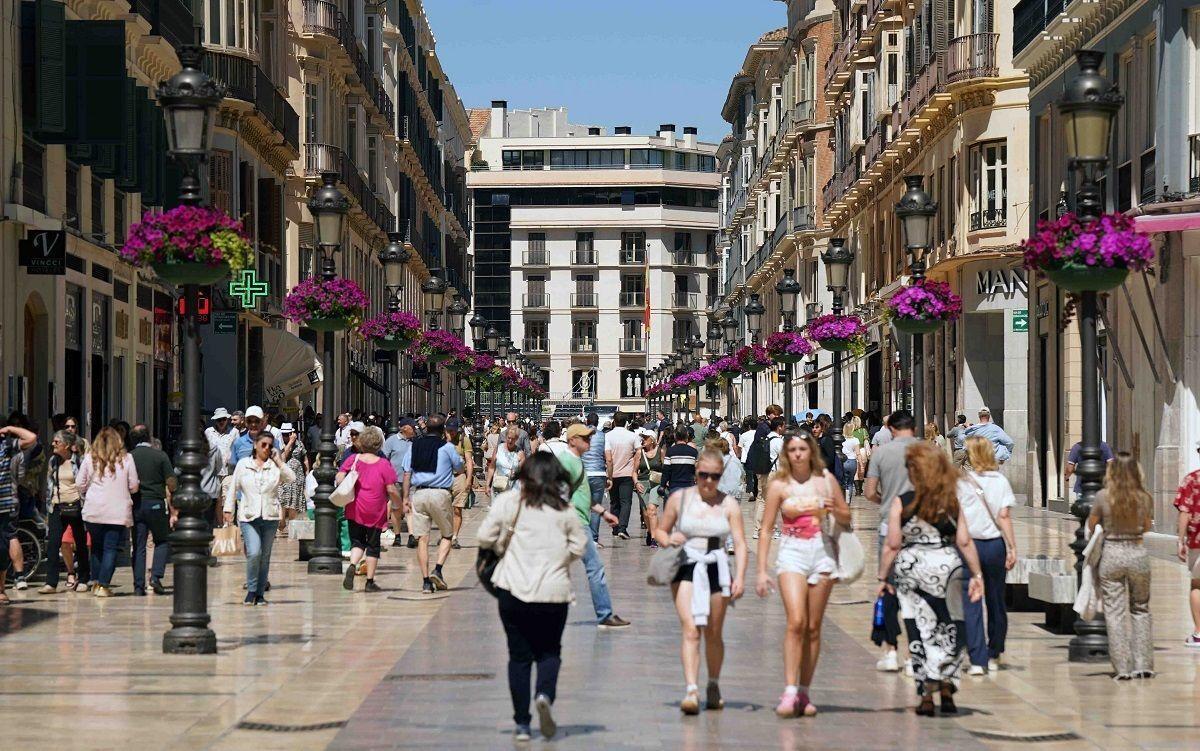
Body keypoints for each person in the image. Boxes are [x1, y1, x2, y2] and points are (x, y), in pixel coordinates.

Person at [479, 452, 588, 742]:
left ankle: (522, 724)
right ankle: (544, 695)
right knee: (549, 651)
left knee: (519, 657)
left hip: (513, 589)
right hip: (554, 593)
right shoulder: (563, 510)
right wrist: (559, 560)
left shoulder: (508, 504)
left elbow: (484, 537)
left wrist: (504, 545)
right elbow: (580, 545)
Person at [877, 442, 984, 715]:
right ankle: (947, 687)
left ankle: (925, 695)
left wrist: (883, 577)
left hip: (912, 570)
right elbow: (964, 540)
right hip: (948, 568)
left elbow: (892, 544)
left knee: (919, 630)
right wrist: (977, 574)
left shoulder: (903, 501)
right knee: (949, 626)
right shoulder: (951, 501)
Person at [756, 430, 852, 717]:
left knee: (813, 627)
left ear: (811, 451)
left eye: (802, 449)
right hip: (792, 552)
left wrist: (837, 509)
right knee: (796, 621)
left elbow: (846, 518)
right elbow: (766, 528)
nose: (798, 454)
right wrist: (761, 569)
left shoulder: (826, 481)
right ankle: (789, 689)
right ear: (786, 454)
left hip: (821, 552)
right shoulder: (779, 485)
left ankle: (805, 691)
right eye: (793, 449)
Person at [653, 448, 748, 715]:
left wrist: (740, 576)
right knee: (691, 629)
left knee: (713, 632)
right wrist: (667, 539)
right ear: (696, 473)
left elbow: (740, 543)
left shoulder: (729, 504)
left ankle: (713, 683)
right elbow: (660, 529)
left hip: (717, 562)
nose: (708, 481)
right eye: (704, 475)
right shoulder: (679, 499)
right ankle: (691, 690)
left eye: (714, 476)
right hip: (686, 563)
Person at [1088, 452, 1155, 680]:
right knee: (1140, 608)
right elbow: (1146, 527)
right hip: (1137, 552)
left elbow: (1091, 523)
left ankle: (1122, 668)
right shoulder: (1144, 497)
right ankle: (1143, 664)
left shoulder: (1102, 496)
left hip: (1112, 553)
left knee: (1115, 613)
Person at [865, 409, 920, 672]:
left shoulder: (881, 453)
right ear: (913, 427)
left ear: (891, 428)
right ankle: (913, 655)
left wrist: (887, 503)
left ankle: (890, 651)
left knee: (889, 586)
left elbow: (868, 491)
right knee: (918, 591)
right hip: (922, 526)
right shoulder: (928, 451)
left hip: (890, 523)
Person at [959, 437, 1018, 675]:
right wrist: (1012, 547)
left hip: (969, 546)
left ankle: (977, 658)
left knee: (971, 600)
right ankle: (995, 651)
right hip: (994, 545)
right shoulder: (1000, 481)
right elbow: (1004, 516)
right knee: (996, 600)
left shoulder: (961, 483)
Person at [225, 430, 295, 605]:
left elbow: (291, 478)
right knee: (254, 552)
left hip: (270, 516)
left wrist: (278, 461)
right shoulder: (243, 464)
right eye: (263, 444)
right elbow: (233, 487)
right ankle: (251, 590)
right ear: (255, 445)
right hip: (249, 515)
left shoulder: (274, 466)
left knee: (265, 556)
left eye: (270, 446)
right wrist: (228, 510)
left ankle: (260, 594)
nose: (266, 448)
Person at [401, 415, 464, 594]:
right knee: (447, 534)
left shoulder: (414, 446)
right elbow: (459, 468)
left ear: (426, 428)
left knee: (422, 538)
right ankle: (437, 569)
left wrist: (406, 497)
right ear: (443, 429)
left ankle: (426, 581)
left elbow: (406, 473)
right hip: (440, 494)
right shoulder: (447, 447)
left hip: (419, 493)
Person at [76, 427, 140, 598]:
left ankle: (95, 581)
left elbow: (79, 483)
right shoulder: (127, 459)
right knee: (110, 548)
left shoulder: (90, 459)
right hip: (117, 511)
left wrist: (87, 492)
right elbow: (134, 486)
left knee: (96, 548)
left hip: (93, 510)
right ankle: (103, 585)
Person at [339, 426, 400, 593]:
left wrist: (343, 483)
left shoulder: (354, 460)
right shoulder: (383, 464)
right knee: (373, 546)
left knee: (357, 542)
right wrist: (399, 504)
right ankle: (370, 581)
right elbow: (392, 489)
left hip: (354, 508)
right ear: (379, 444)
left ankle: (353, 564)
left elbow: (339, 477)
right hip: (375, 510)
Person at [39, 430, 90, 594]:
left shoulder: (79, 461)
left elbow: (85, 483)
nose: (53, 444)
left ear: (67, 445)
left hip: (76, 505)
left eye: (57, 442)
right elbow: (50, 483)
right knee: (53, 544)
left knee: (80, 543)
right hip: (57, 506)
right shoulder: (53, 461)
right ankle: (51, 583)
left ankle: (83, 579)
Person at [128, 424, 176, 596]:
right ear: (149, 437)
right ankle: (155, 576)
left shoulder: (128, 457)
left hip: (137, 505)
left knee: (139, 545)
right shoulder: (160, 455)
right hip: (156, 504)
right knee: (162, 541)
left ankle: (138, 586)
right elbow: (171, 483)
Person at [1175, 443, 1200, 649]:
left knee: (1197, 585)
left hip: (1197, 542)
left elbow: (1185, 511)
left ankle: (1199, 633)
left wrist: (1180, 540)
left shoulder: (1192, 480)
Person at [604, 412, 641, 541]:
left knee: (614, 502)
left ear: (614, 421)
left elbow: (607, 457)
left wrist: (608, 475)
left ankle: (615, 529)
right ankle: (622, 528)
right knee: (626, 502)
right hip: (627, 473)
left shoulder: (607, 436)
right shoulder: (632, 436)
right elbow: (638, 454)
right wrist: (635, 470)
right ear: (626, 422)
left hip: (612, 473)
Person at [383, 418, 417, 548]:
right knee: (396, 509)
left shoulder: (414, 442)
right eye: (412, 427)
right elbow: (384, 459)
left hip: (412, 481)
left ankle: (411, 535)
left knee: (410, 507)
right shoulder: (391, 441)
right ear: (404, 428)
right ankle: (397, 536)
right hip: (395, 480)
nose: (414, 430)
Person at [752, 417, 786, 540]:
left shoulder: (765, 439)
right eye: (784, 426)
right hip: (773, 474)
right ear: (780, 427)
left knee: (761, 500)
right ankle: (775, 529)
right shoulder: (778, 441)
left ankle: (758, 530)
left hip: (762, 473)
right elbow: (785, 459)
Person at [446, 419, 475, 550]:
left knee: (457, 508)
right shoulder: (442, 440)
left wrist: (469, 479)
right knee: (444, 509)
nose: (451, 432)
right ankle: (446, 534)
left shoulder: (464, 440)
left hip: (459, 477)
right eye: (448, 430)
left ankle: (454, 537)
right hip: (444, 478)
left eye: (453, 430)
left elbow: (469, 461)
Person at [580, 412, 607, 544]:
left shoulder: (580, 436)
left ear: (586, 421)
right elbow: (608, 457)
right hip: (599, 473)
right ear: (597, 423)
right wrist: (610, 477)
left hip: (584, 473)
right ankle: (594, 539)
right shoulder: (603, 436)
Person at [278, 422, 308, 532]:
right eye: (284, 434)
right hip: (284, 477)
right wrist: (290, 442)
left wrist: (307, 472)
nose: (285, 436)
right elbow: (283, 457)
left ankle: (292, 525)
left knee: (294, 501)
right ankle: (281, 524)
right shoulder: (280, 444)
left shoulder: (299, 444)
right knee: (283, 499)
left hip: (297, 477)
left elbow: (304, 458)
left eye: (287, 434)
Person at [637, 432, 665, 547]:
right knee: (646, 512)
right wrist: (636, 482)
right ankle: (650, 531)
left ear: (652, 440)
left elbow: (665, 468)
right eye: (642, 438)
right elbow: (634, 471)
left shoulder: (660, 452)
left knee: (651, 509)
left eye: (645, 438)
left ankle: (654, 538)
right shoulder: (639, 452)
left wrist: (665, 481)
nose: (643, 440)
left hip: (656, 484)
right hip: (643, 483)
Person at [663, 425, 699, 498]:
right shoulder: (693, 452)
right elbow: (697, 469)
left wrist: (662, 485)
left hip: (674, 486)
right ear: (687, 436)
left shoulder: (670, 451)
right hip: (689, 487)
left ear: (675, 436)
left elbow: (666, 470)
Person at [487, 427, 525, 496]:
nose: (510, 441)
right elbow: (492, 467)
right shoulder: (498, 449)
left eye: (513, 439)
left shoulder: (520, 453)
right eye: (508, 438)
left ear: (516, 439)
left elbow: (522, 473)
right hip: (498, 486)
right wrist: (487, 485)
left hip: (513, 489)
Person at [841, 435, 861, 500]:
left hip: (844, 461)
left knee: (844, 482)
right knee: (850, 483)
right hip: (852, 461)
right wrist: (861, 464)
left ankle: (844, 499)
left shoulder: (841, 438)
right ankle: (848, 501)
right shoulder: (855, 439)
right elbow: (858, 453)